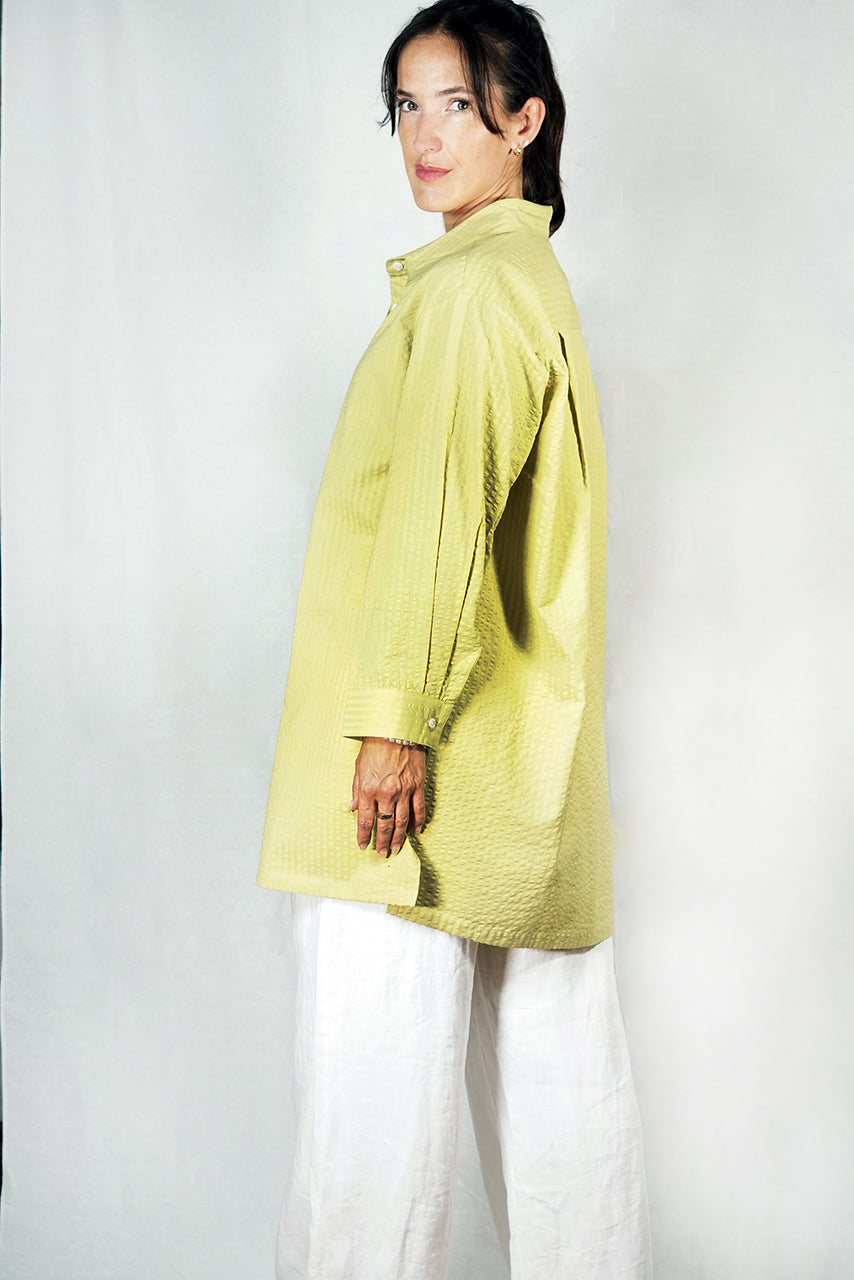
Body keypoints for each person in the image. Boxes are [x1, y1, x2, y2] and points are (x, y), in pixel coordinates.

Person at [257, 1, 652, 1275]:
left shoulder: (474, 289)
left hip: (407, 791)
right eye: (406, 107)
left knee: (367, 1134)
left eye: (458, 106)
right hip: (513, 777)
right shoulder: (524, 279)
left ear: (523, 121)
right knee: (562, 1113)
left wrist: (391, 723)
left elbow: (438, 517)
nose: (425, 138)